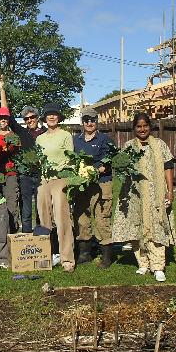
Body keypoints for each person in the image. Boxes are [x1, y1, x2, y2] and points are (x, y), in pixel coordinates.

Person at [112, 112, 176, 282]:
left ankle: (157, 266)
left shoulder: (160, 145)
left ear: (150, 127)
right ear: (134, 128)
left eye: (145, 126)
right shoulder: (128, 147)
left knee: (157, 226)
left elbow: (168, 167)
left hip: (156, 193)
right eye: (139, 126)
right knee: (136, 226)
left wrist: (170, 191)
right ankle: (143, 263)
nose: (142, 129)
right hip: (135, 194)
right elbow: (121, 168)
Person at [0, 76, 45, 232]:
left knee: (41, 208)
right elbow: (6, 113)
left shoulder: (45, 133)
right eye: (27, 118)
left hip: (41, 175)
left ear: (37, 118)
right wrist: (2, 88)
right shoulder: (22, 132)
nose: (30, 119)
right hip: (25, 175)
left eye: (32, 117)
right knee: (26, 208)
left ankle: (42, 239)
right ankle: (26, 237)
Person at [72, 108, 117, 268]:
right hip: (82, 185)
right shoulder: (75, 140)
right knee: (81, 218)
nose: (89, 123)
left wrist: (99, 170)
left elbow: (112, 158)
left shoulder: (105, 139)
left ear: (97, 121)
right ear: (82, 122)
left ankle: (106, 256)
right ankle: (85, 253)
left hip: (102, 183)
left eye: (92, 120)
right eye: (86, 120)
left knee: (102, 218)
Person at [35, 103, 75, 272]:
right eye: (48, 115)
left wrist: (60, 171)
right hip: (43, 180)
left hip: (60, 179)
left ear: (59, 117)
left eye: (54, 114)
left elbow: (70, 158)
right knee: (44, 218)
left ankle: (67, 259)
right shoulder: (39, 138)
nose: (51, 117)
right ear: (44, 118)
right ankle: (46, 257)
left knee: (61, 218)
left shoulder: (66, 135)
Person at [0, 107, 21, 233]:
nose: (2, 120)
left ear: (8, 120)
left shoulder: (14, 136)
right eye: (0, 118)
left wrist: (10, 149)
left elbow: (17, 154)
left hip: (10, 173)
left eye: (5, 118)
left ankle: (13, 234)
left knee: (11, 204)